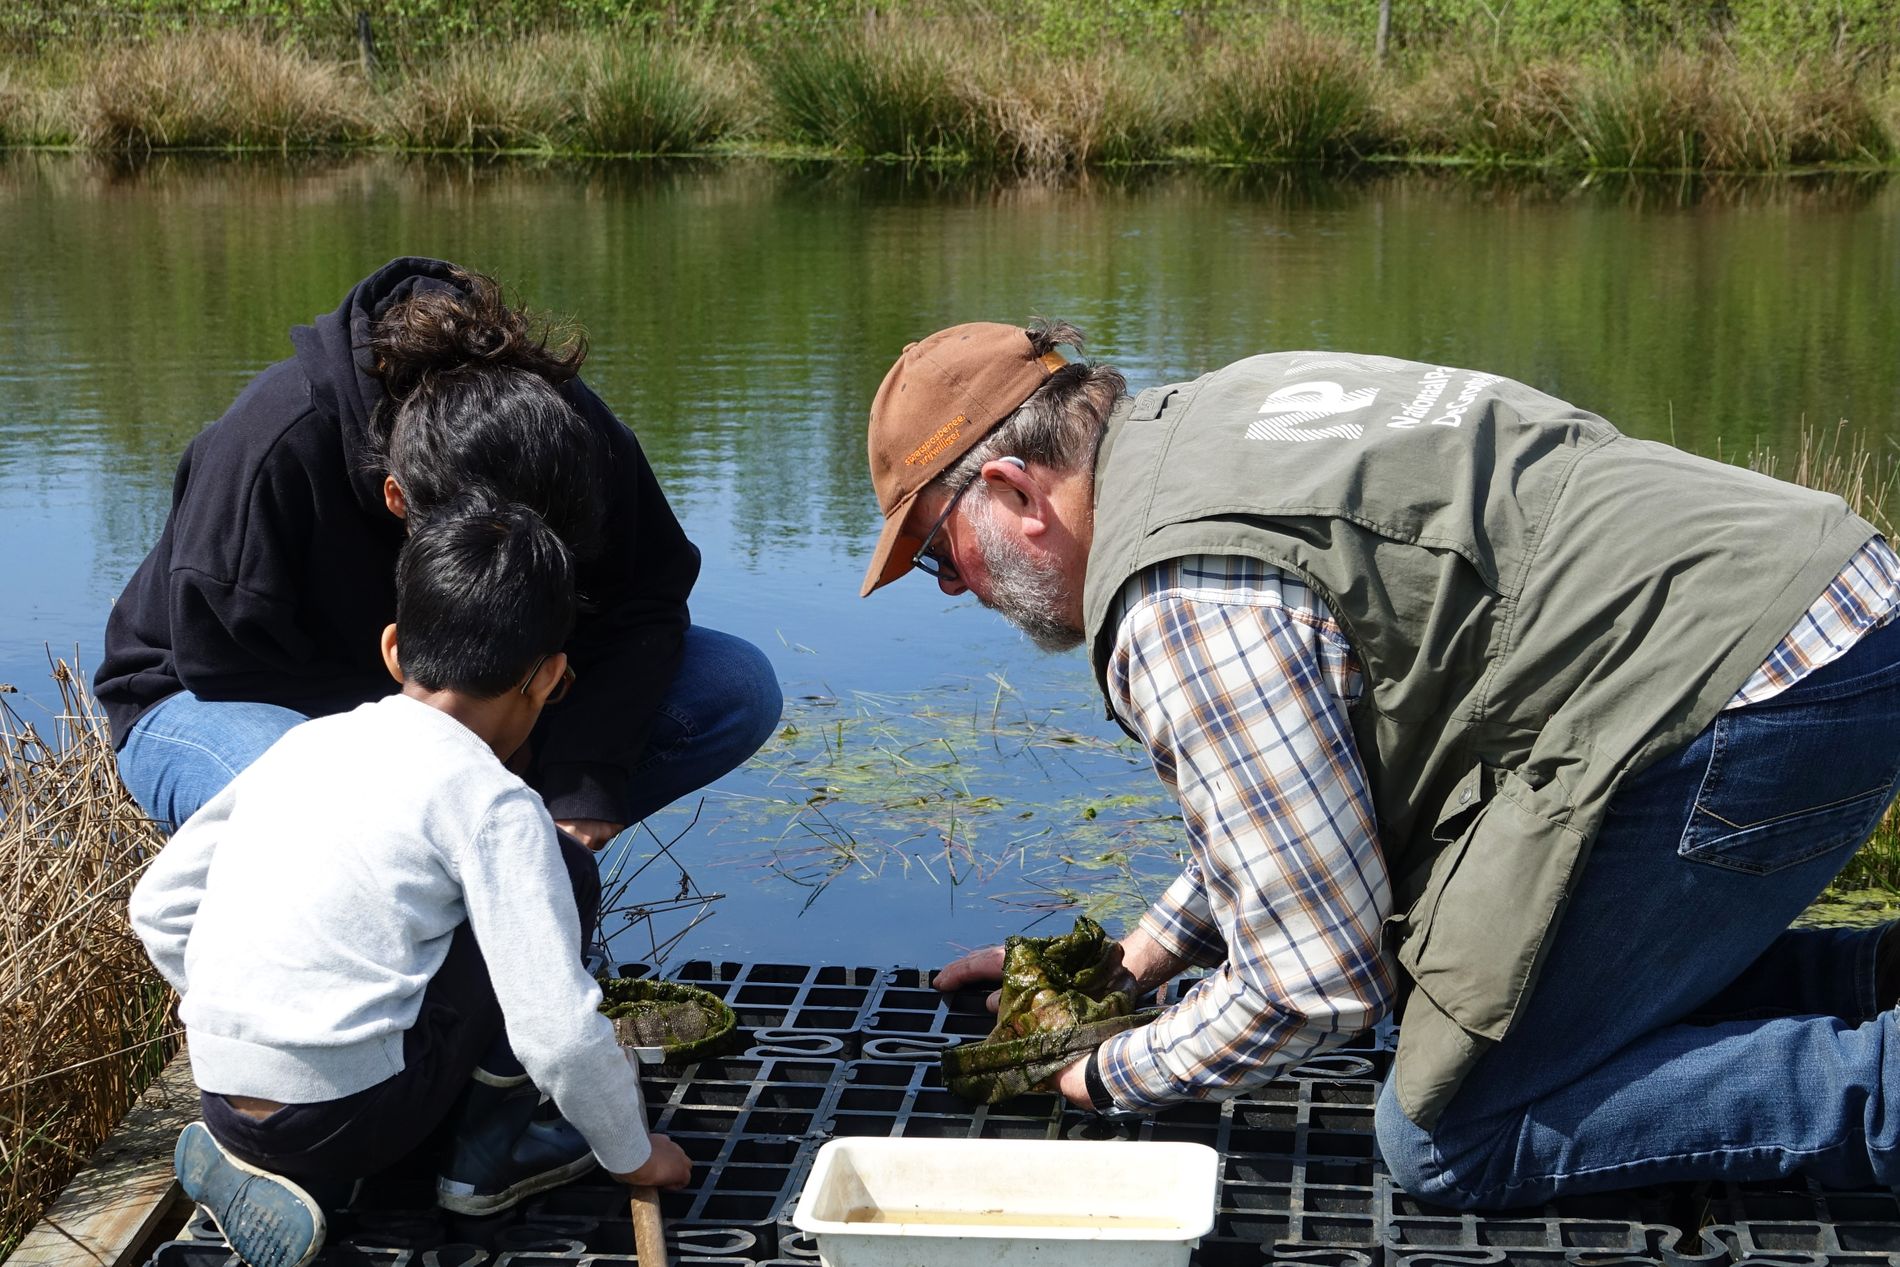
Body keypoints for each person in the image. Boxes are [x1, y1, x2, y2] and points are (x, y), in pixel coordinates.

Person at [861, 322, 1900, 1206]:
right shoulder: (1215, 416)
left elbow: (1315, 983)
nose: (950, 586)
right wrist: (1127, 967)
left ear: (1013, 489)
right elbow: (1292, 816)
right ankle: (1871, 980)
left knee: (1453, 1132)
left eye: (936, 552)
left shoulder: (1181, 603)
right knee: (1513, 999)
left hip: (1752, 692)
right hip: (1822, 603)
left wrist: (1096, 1073)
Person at [129, 497, 694, 1267]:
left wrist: (258, 1014)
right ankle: (484, 1163)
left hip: (222, 1099)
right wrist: (635, 1153)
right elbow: (556, 1030)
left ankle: (283, 1166)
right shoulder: (490, 800)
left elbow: (158, 906)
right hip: (351, 1117)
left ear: (394, 649)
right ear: (550, 677)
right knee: (566, 871)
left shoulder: (304, 745)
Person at [97, 257, 780, 854]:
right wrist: (434, 756)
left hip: (473, 690)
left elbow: (644, 600)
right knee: (339, 816)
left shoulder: (569, 433)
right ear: (397, 498)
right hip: (214, 696)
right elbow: (223, 664)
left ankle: (520, 881)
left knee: (733, 686)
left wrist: (582, 773)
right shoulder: (273, 447)